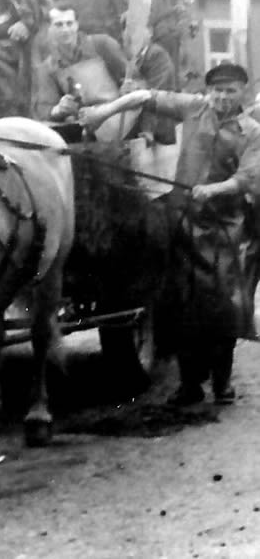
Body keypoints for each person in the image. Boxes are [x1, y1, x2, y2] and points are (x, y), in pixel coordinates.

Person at [79, 62, 260, 406]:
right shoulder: (194, 107)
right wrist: (104, 111)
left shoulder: (251, 131)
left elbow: (248, 178)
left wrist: (215, 189)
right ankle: (189, 385)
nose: (222, 97)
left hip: (227, 229)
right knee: (182, 306)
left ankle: (221, 384)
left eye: (230, 91)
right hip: (185, 223)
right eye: (217, 90)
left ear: (242, 93)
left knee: (224, 307)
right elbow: (146, 96)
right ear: (208, 92)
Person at [33, 1, 127, 123]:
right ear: (50, 29)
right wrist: (59, 109)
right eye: (59, 25)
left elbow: (133, 78)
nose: (65, 30)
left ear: (77, 25)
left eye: (69, 23)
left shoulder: (103, 45)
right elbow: (44, 109)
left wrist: (129, 87)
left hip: (117, 116)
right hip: (83, 125)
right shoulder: (48, 67)